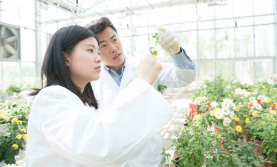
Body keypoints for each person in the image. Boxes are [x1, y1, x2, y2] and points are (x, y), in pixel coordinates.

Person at [25, 25, 173, 167]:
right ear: (66, 58)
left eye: (97, 52)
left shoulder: (80, 101)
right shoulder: (52, 99)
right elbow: (101, 147)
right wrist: (142, 82)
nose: (98, 58)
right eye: (90, 50)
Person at [86, 17, 197, 167]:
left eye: (114, 39)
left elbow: (182, 78)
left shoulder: (144, 64)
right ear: (96, 51)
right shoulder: (93, 81)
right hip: (115, 159)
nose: (113, 48)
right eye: (103, 45)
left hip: (149, 157)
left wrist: (177, 53)